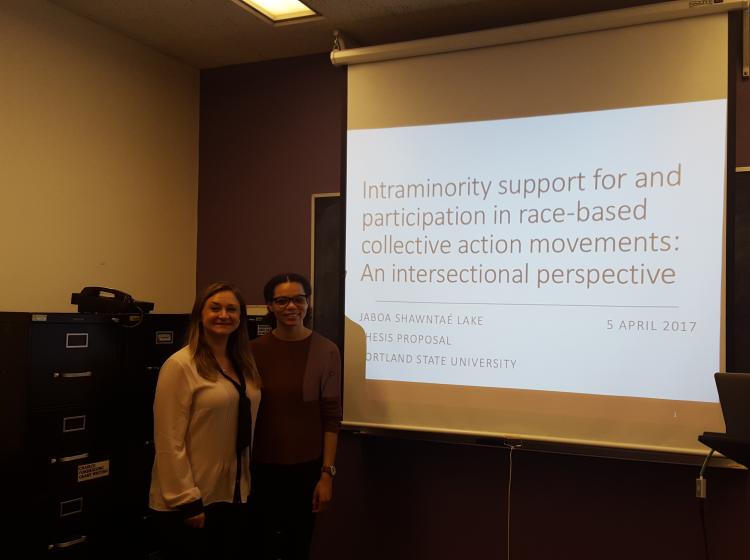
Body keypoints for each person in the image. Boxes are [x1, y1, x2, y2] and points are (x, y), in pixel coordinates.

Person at [149, 282, 261, 560]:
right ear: (200, 314)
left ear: (241, 318)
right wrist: (187, 500)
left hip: (233, 494)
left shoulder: (243, 363)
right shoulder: (180, 365)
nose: (224, 315)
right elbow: (168, 439)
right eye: (215, 308)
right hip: (192, 499)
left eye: (232, 309)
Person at [249, 272, 342, 560]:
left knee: (297, 546)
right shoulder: (250, 351)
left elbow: (331, 417)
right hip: (258, 470)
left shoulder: (326, 351)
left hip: (306, 469)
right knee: (259, 545)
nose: (292, 306)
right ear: (269, 305)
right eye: (283, 300)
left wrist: (326, 474)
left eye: (299, 299)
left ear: (308, 302)